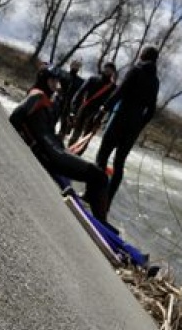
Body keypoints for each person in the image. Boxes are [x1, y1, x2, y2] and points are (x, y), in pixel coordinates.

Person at [9, 66, 109, 223]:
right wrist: (31, 145)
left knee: (98, 175)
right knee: (100, 177)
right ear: (46, 80)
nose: (57, 85)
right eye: (54, 81)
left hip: (54, 152)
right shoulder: (37, 95)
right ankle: (101, 223)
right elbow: (15, 116)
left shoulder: (46, 101)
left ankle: (98, 218)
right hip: (51, 156)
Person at [95, 46, 160, 208]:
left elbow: (120, 92)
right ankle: (106, 203)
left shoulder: (136, 70)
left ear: (142, 55)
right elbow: (151, 110)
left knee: (102, 156)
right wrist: (139, 125)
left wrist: (104, 108)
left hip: (119, 118)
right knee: (119, 164)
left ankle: (93, 194)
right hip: (134, 126)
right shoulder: (156, 81)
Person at [67, 62, 117, 148]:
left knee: (87, 136)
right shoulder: (93, 79)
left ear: (113, 72)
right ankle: (69, 150)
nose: (108, 71)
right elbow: (80, 92)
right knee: (76, 132)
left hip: (98, 113)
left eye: (110, 70)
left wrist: (106, 118)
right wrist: (74, 108)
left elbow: (112, 103)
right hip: (85, 108)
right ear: (103, 68)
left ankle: (78, 153)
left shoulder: (113, 87)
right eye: (107, 68)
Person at [54, 58, 84, 137]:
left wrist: (76, 108)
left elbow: (81, 94)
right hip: (59, 99)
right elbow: (56, 81)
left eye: (77, 66)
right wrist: (58, 87)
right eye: (74, 65)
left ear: (79, 68)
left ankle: (60, 137)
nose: (75, 67)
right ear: (70, 65)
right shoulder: (63, 73)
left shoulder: (81, 81)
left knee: (65, 124)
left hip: (70, 104)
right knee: (53, 117)